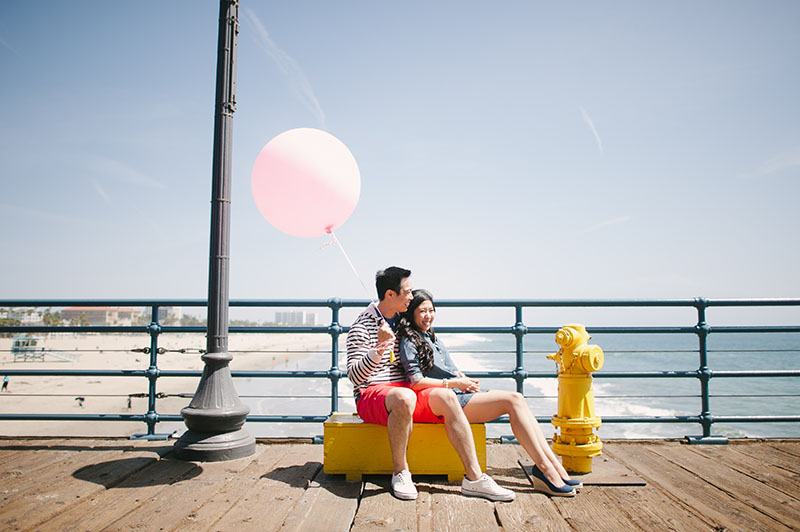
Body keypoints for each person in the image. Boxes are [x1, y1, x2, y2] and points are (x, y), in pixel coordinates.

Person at [346, 267, 513, 502]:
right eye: (407, 292)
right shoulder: (362, 326)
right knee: (405, 398)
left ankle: (475, 479)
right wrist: (378, 348)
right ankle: (401, 472)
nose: (412, 297)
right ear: (390, 295)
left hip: (408, 392)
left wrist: (453, 376)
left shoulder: (402, 320)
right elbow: (354, 377)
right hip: (371, 395)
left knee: (446, 396)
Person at [397, 289, 580, 497]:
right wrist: (455, 382)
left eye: (431, 310)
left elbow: (450, 369)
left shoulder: (432, 337)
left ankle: (554, 467)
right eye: (422, 311)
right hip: (449, 402)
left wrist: (464, 379)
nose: (428, 315)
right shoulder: (409, 340)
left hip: (460, 393)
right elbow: (416, 381)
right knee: (512, 400)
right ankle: (545, 471)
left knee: (518, 399)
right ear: (411, 313)